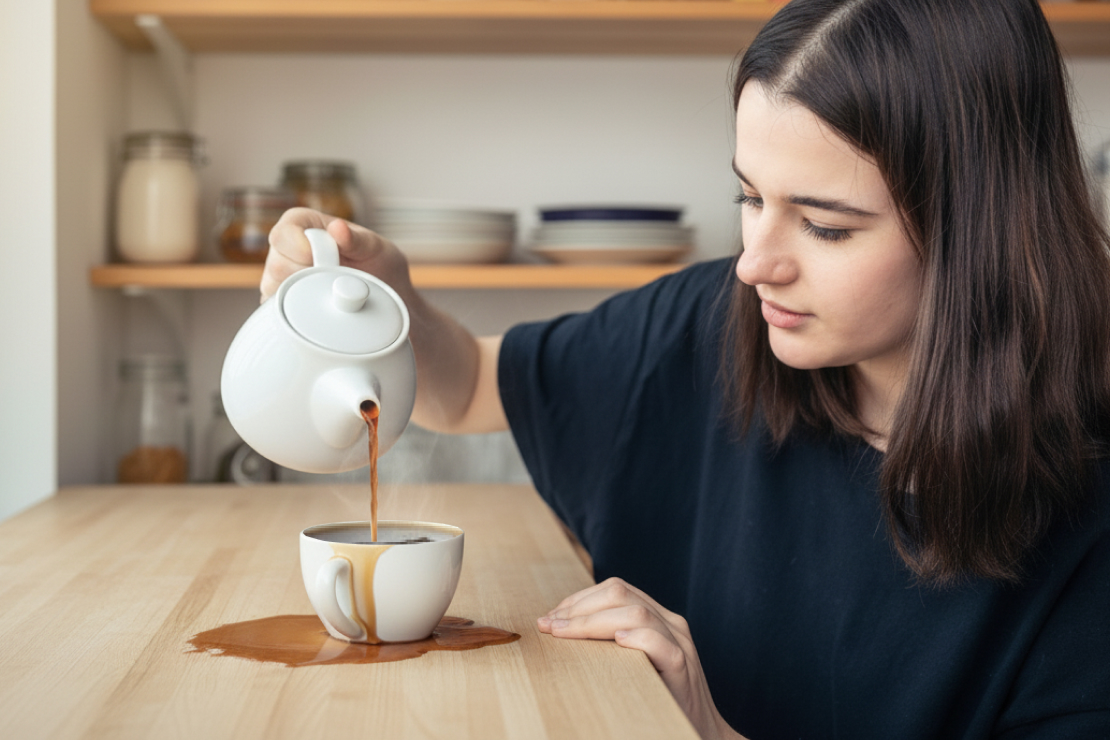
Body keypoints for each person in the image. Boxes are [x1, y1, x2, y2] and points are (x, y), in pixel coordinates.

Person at [261, 0, 1110, 737]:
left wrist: (710, 731)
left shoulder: (1086, 516)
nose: (755, 263)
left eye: (826, 226)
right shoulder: (707, 324)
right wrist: (391, 304)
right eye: (750, 198)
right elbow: (472, 389)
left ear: (981, 228)